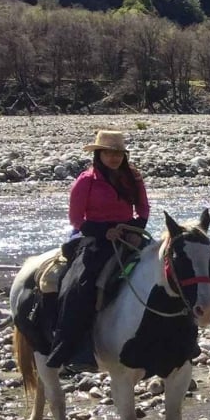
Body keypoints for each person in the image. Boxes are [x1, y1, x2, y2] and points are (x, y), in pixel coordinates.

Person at [46, 130, 151, 368]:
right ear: (99, 154)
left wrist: (134, 231)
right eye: (108, 153)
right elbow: (76, 218)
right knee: (81, 284)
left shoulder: (133, 178)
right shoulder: (86, 181)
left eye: (118, 154)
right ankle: (72, 348)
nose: (114, 158)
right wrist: (104, 231)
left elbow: (143, 208)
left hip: (128, 233)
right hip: (94, 236)